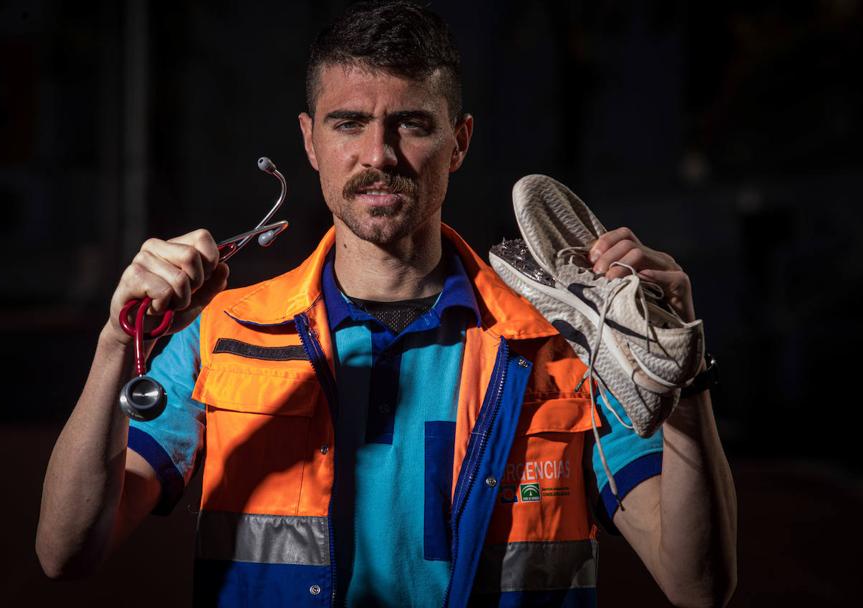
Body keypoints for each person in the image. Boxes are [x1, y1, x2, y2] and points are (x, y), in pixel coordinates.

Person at [36, 2, 737, 606]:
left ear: (457, 142)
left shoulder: (564, 343)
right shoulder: (223, 333)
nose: (379, 154)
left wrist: (684, 382)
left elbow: (695, 586)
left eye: (410, 123)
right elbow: (65, 551)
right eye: (348, 124)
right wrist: (112, 344)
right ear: (310, 141)